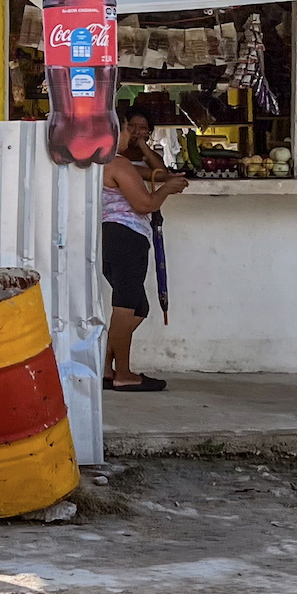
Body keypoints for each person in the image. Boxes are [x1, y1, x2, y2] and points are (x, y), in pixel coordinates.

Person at [100, 110, 188, 392]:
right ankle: (123, 374)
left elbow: (154, 172)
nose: (131, 134)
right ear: (117, 132)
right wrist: (167, 190)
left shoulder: (98, 161)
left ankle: (106, 367)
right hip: (125, 236)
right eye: (128, 129)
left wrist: (150, 159)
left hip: (108, 237)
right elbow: (145, 205)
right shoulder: (116, 163)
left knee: (138, 307)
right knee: (126, 306)